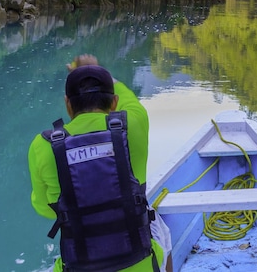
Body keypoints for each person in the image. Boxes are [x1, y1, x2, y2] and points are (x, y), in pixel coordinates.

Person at [28, 54, 172, 272]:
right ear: (114, 102)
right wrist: (97, 69)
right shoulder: (133, 124)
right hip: (138, 262)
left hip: (79, 266)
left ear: (68, 104)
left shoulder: (43, 145)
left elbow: (46, 209)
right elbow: (128, 99)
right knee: (162, 231)